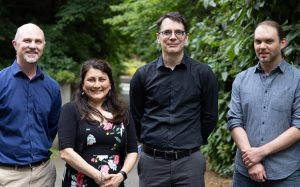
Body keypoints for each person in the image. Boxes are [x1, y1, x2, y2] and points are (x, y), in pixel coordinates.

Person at [130, 12, 218, 187]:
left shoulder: (204, 74)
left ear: (186, 38)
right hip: (152, 163)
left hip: (189, 163)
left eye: (178, 32)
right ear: (158, 37)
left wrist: (189, 141)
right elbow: (135, 117)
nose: (172, 37)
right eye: (167, 32)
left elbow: (210, 117)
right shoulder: (142, 75)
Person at [227, 20, 300, 187]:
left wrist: (260, 153)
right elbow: (234, 121)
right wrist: (251, 161)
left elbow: (298, 126)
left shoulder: (298, 80)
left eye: (269, 41)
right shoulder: (241, 79)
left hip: (286, 173)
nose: (262, 46)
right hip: (245, 173)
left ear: (282, 43)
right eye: (258, 41)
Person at [58, 59, 138, 187]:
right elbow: (65, 152)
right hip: (79, 183)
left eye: (102, 79)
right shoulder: (71, 110)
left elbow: (133, 151)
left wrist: (122, 175)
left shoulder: (122, 112)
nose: (96, 85)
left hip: (115, 184)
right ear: (83, 84)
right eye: (91, 80)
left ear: (110, 83)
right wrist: (97, 176)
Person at [0, 23, 61, 186]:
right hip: (6, 176)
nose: (33, 46)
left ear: (43, 46)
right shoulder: (0, 82)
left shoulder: (52, 87)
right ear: (15, 44)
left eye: (38, 41)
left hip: (43, 175)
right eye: (27, 40)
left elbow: (51, 128)